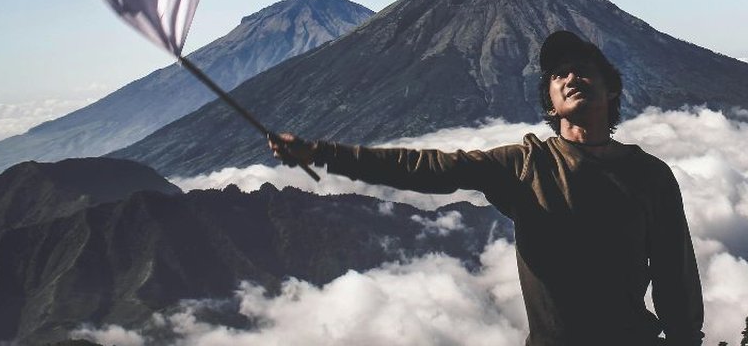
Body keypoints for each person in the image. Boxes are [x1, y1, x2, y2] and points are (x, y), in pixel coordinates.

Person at [270, 29, 705, 346]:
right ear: (549, 104)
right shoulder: (525, 165)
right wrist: (325, 153)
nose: (571, 77)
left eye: (583, 70)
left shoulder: (650, 175)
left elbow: (675, 275)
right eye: (558, 75)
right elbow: (428, 168)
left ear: (611, 89)